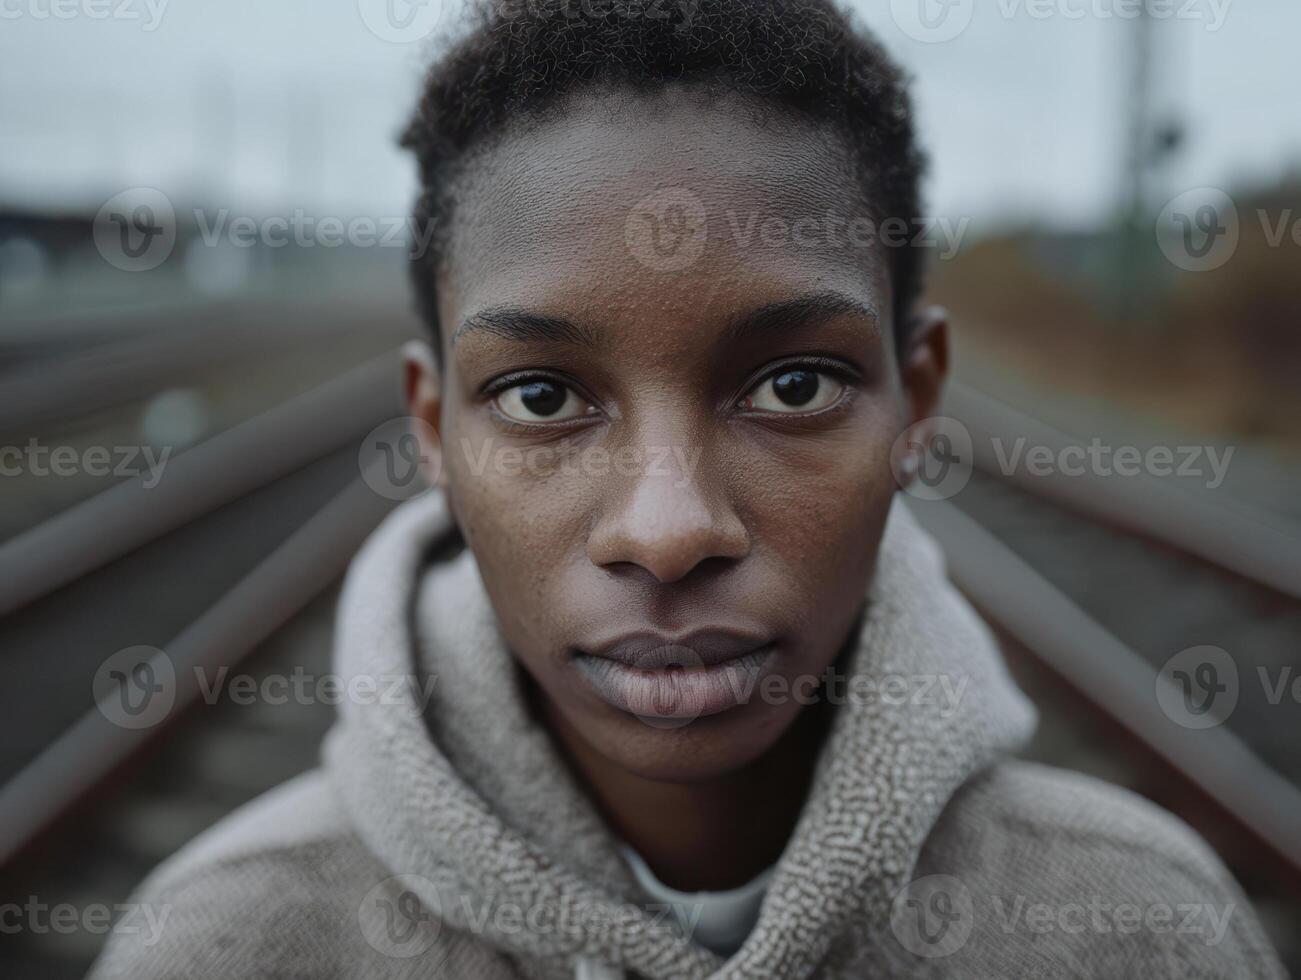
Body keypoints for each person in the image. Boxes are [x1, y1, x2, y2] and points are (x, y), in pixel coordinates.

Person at [90, 1, 1285, 976]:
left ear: (915, 404)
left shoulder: (1141, 928)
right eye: (544, 399)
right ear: (431, 427)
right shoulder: (224, 942)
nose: (667, 531)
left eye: (795, 384)